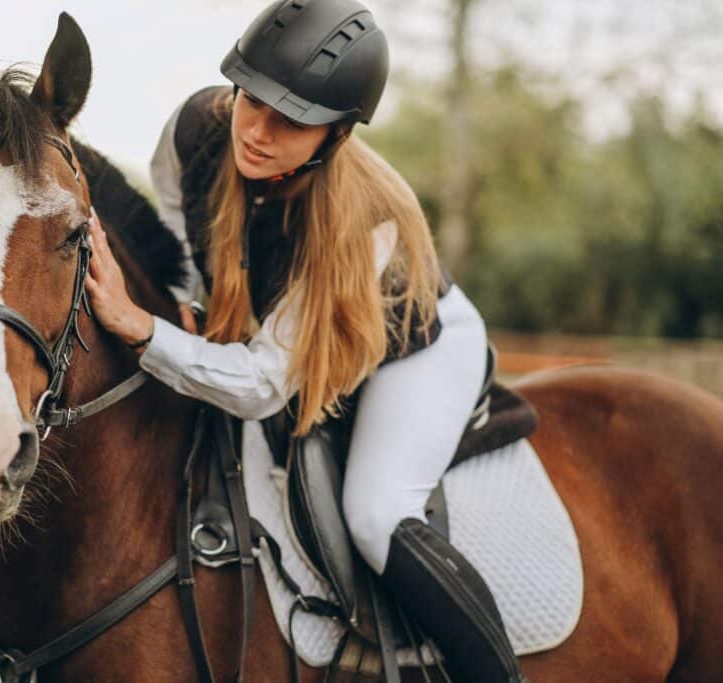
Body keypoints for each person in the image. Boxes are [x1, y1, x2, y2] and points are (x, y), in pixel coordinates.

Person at [83, 0, 526, 680]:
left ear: (338, 136)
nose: (257, 131)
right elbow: (177, 209)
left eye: (293, 121)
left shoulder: (359, 225)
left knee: (377, 512)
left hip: (413, 349)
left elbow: (262, 386)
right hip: (285, 327)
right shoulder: (198, 127)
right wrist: (181, 303)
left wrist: (142, 328)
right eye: (251, 100)